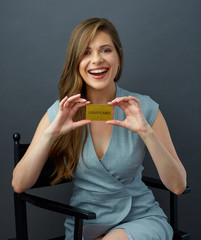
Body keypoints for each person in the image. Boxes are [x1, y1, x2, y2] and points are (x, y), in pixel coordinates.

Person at [12, 18, 187, 240]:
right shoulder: (63, 110)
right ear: (76, 61)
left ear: (119, 57)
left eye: (105, 50)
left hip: (141, 219)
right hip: (85, 223)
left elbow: (178, 186)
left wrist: (146, 133)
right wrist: (50, 135)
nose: (97, 60)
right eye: (86, 52)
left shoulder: (144, 107)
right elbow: (19, 184)